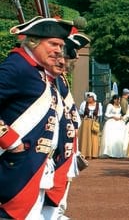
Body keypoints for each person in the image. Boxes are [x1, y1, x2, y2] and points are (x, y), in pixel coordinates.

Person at [0, 16, 74, 219]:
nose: (59, 50)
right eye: (53, 44)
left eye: (60, 45)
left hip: (35, 165)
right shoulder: (17, 67)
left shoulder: (37, 71)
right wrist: (11, 141)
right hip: (18, 166)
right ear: (33, 42)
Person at [43, 30, 89, 220]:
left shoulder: (60, 80)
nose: (70, 62)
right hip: (48, 149)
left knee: (58, 197)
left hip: (65, 146)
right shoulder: (48, 79)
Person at [99, 94, 128, 158]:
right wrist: (113, 116)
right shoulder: (110, 105)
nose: (119, 101)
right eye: (118, 99)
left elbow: (119, 113)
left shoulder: (120, 106)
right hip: (111, 122)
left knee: (119, 137)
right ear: (114, 100)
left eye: (119, 100)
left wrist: (120, 117)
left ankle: (118, 153)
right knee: (110, 137)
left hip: (119, 123)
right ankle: (109, 152)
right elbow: (106, 114)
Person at [76, 92, 101, 159]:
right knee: (85, 138)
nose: (88, 98)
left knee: (94, 138)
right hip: (86, 123)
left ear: (93, 98)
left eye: (90, 97)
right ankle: (85, 153)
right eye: (88, 97)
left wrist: (96, 120)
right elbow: (81, 113)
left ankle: (94, 154)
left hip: (94, 122)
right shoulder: (84, 104)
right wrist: (84, 117)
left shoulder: (98, 105)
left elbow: (99, 115)